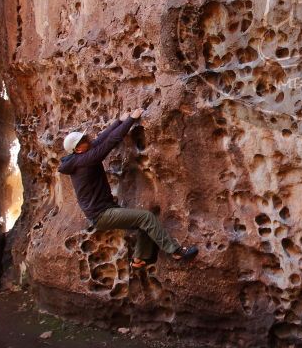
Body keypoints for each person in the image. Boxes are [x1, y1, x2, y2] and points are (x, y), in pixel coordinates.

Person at [58, 108, 198, 269]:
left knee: (143, 223)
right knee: (146, 218)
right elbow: (110, 142)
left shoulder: (82, 155)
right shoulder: (84, 161)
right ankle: (176, 252)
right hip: (101, 214)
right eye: (83, 139)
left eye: (85, 137)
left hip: (104, 210)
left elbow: (101, 139)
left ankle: (138, 260)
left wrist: (119, 121)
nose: (87, 139)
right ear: (77, 149)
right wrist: (131, 119)